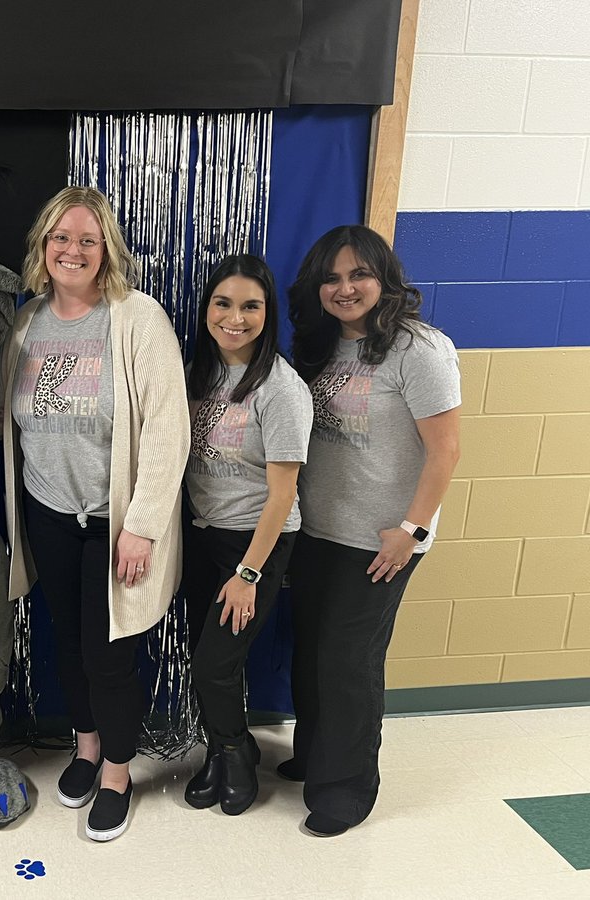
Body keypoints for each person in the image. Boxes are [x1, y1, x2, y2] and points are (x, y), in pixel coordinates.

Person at [1, 186, 190, 842]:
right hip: (51, 515)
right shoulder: (26, 325)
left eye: (87, 238)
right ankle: (85, 749)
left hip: (116, 524)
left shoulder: (137, 319)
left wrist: (140, 524)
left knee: (111, 657)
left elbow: (169, 428)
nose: (72, 250)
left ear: (106, 247)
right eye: (61, 238)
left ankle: (116, 771)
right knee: (70, 647)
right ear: (43, 247)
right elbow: (10, 422)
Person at [283, 224, 461, 837]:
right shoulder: (323, 345)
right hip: (318, 530)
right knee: (311, 651)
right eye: (331, 277)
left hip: (382, 539)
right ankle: (313, 758)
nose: (345, 287)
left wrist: (410, 530)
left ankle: (345, 789)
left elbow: (446, 451)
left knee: (348, 662)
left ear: (384, 278)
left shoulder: (420, 350)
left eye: (359, 273)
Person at [179, 255, 312, 816]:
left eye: (250, 306)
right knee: (205, 657)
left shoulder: (281, 390)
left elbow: (282, 497)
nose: (235, 317)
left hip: (254, 543)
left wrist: (249, 574)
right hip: (202, 535)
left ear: (268, 313)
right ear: (207, 308)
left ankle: (235, 753)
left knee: (216, 662)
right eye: (223, 303)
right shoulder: (197, 372)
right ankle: (221, 752)